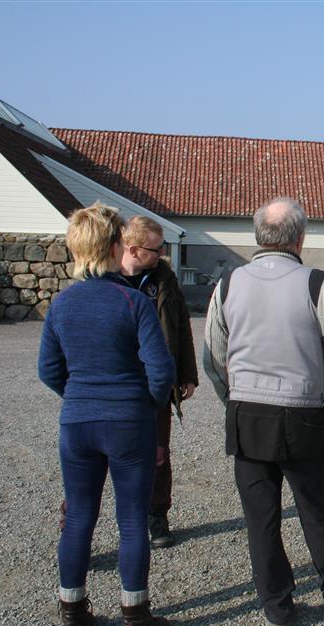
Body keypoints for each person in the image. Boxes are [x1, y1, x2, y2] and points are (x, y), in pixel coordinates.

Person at [203, 196, 324, 626]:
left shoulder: (227, 284)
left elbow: (212, 356)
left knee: (260, 517)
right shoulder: (318, 284)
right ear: (299, 237)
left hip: (248, 412)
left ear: (258, 235)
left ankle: (277, 606)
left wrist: (233, 399)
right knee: (317, 508)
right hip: (303, 414)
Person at [38, 202, 173, 626]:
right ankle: (135, 618)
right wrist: (142, 405)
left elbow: (49, 370)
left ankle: (72, 615)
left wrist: (78, 397)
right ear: (116, 247)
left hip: (77, 421)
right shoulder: (132, 301)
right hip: (128, 421)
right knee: (132, 519)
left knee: (78, 516)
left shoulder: (61, 304)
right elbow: (161, 370)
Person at [119, 215, 199, 548]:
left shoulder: (164, 278)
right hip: (119, 386)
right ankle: (78, 528)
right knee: (99, 462)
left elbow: (180, 327)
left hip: (157, 386)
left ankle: (157, 515)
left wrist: (187, 374)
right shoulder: (105, 281)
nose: (163, 253)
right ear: (133, 249)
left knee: (159, 456)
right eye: (156, 248)